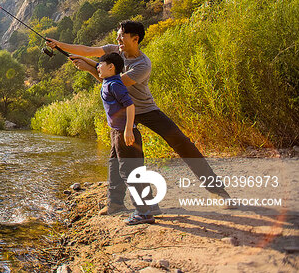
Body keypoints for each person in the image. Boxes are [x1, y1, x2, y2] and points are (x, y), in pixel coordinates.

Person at [46, 20, 232, 212]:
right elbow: (85, 49)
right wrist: (58, 44)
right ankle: (115, 203)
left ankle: (219, 192)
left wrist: (88, 66)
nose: (117, 38)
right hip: (124, 112)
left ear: (135, 39)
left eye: (121, 36)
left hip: (145, 109)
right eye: (118, 35)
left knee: (182, 142)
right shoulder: (114, 50)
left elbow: (115, 83)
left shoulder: (143, 64)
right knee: (116, 154)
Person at [97, 51, 155, 225]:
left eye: (100, 64)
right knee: (114, 166)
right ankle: (118, 204)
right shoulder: (109, 80)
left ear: (111, 67)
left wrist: (128, 129)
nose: (97, 67)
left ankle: (144, 212)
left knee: (130, 172)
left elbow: (130, 106)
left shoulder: (115, 84)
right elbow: (95, 66)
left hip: (125, 133)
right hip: (117, 133)